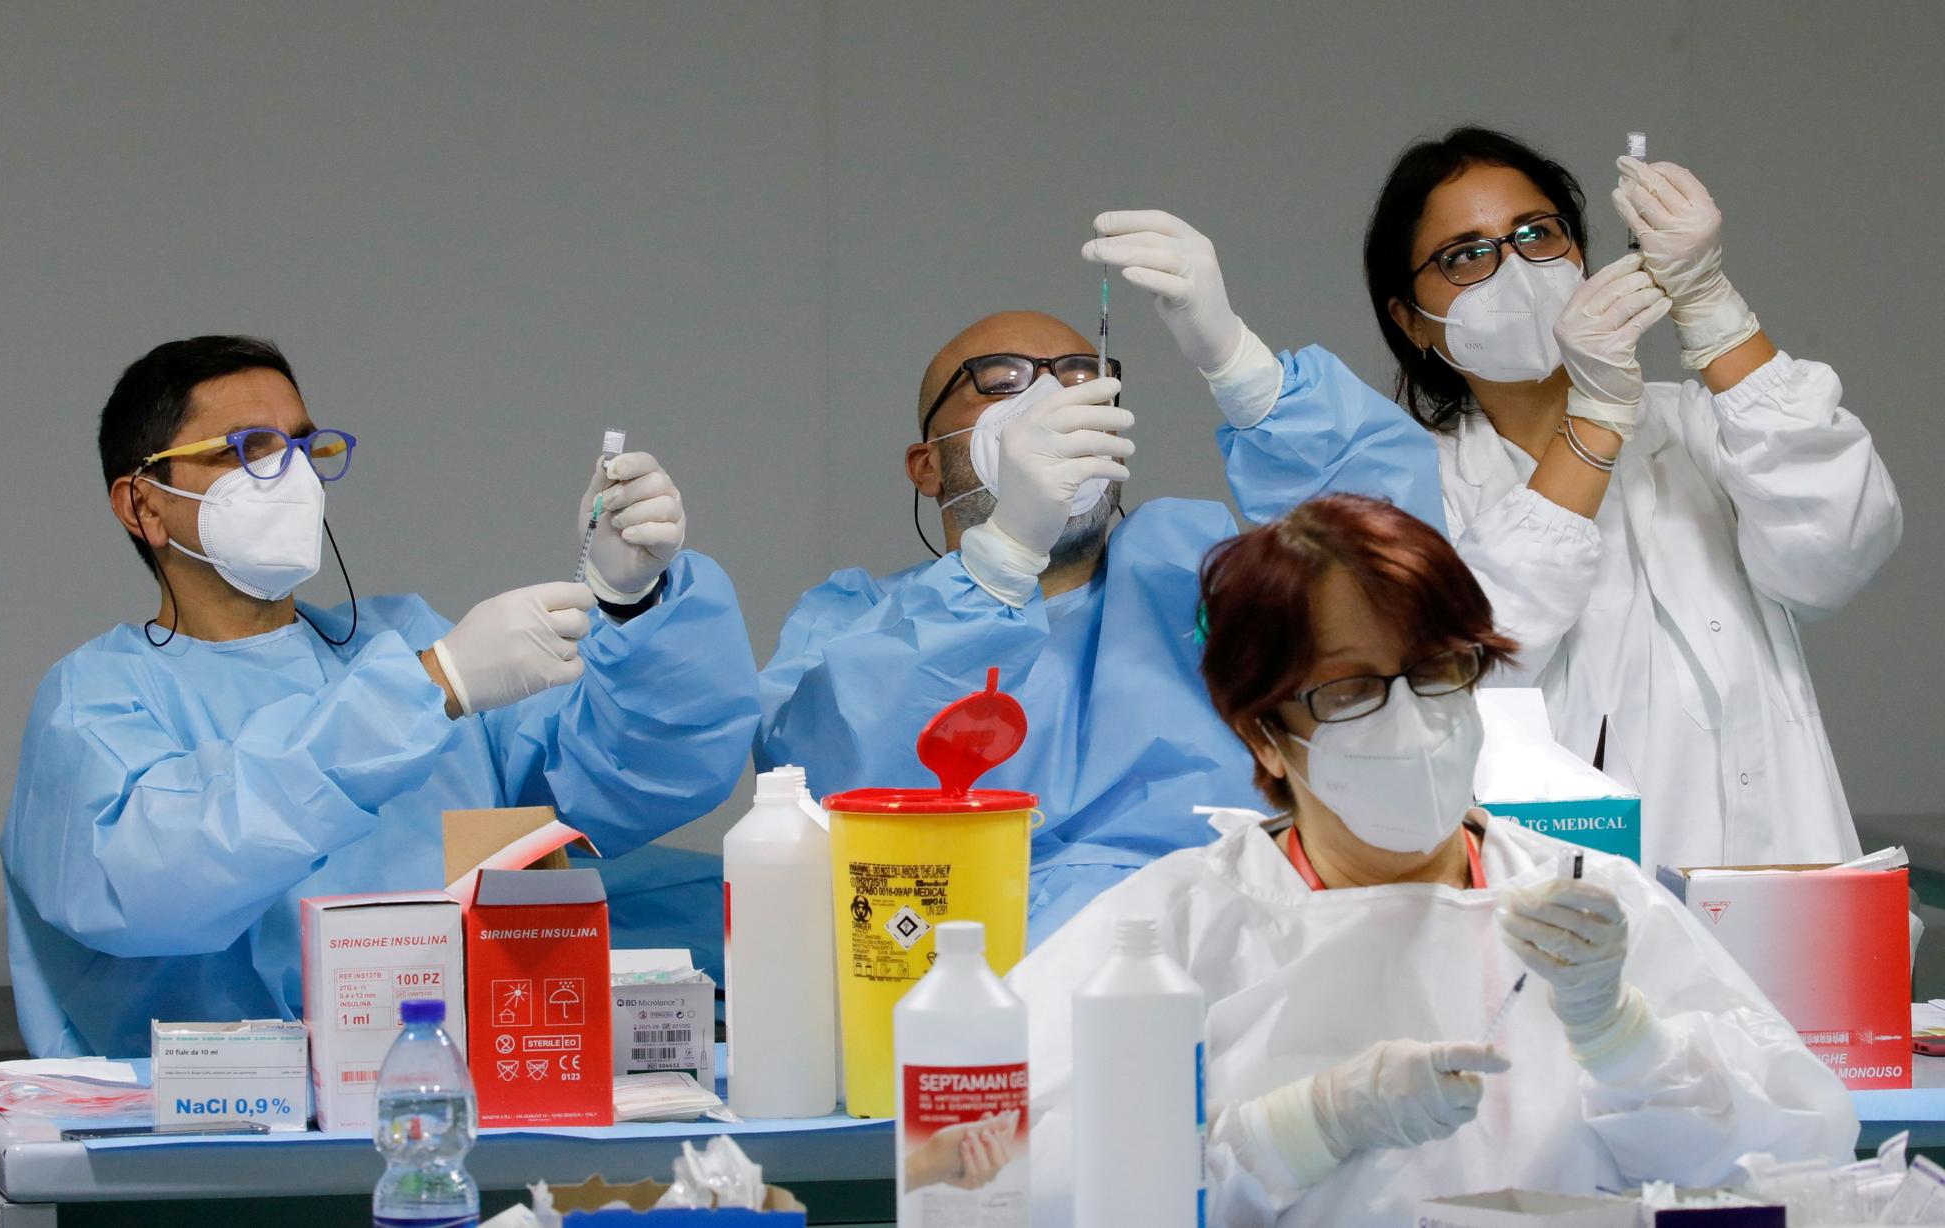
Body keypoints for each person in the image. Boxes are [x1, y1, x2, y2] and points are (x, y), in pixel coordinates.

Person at [1007, 495, 1857, 1227]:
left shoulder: (1590, 906)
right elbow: (991, 1183)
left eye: (1438, 670)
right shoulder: (1177, 932)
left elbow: (1802, 1153)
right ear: (1262, 736)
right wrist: (1300, 1128)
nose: (1410, 718)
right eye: (1349, 690)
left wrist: (1620, 1034)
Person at [1091, 130, 1901, 870]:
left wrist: (1713, 308)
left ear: (1580, 254)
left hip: (1798, 891)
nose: (1516, 270)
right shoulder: (1416, 484)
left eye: (1536, 235)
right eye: (1465, 256)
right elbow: (1472, 651)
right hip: (1572, 927)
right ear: (1413, 322)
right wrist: (1595, 423)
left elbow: (1837, 551)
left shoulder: (1704, 425)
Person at [1, 336, 760, 1057]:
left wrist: (633, 604)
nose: (291, 472)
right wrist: (431, 689)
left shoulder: (400, 644)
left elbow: (636, 785)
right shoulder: (96, 703)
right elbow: (153, 882)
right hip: (211, 1138)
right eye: (245, 450)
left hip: (450, 1097)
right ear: (143, 506)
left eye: (301, 444)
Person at [756, 310, 1444, 941]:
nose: (1051, 403)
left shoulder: (1199, 581)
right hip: (950, 999)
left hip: (1219, 973)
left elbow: (1393, 575)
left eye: (1082, 379)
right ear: (926, 466)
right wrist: (1000, 561)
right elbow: (820, 789)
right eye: (1001, 383)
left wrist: (1248, 373)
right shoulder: (852, 624)